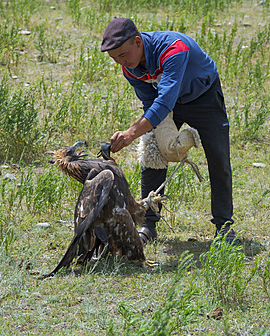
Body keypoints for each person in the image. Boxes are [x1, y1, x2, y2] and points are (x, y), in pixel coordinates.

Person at [101, 17, 240, 245]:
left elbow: (164, 101)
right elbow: (151, 102)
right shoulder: (130, 68)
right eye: (114, 58)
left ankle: (223, 227)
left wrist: (130, 133)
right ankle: (148, 225)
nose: (120, 63)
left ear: (137, 42)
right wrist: (150, 132)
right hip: (166, 103)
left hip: (203, 98)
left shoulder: (174, 48)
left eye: (123, 55)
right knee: (152, 153)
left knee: (218, 158)